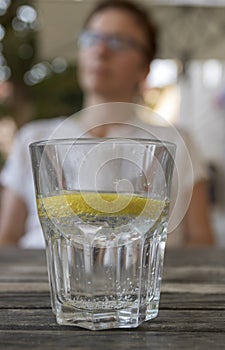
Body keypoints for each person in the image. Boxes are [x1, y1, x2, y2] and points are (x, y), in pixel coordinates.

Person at [0, 0, 214, 248]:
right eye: (91, 38)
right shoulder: (35, 137)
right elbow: (7, 238)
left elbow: (201, 240)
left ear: (144, 68)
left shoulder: (177, 142)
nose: (100, 51)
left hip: (147, 281)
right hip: (42, 279)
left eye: (118, 42)